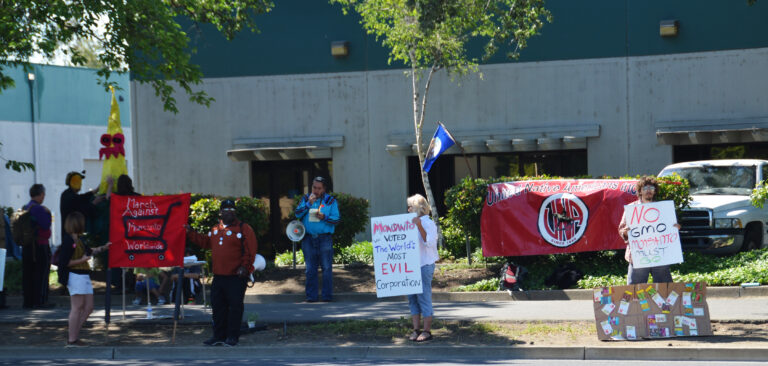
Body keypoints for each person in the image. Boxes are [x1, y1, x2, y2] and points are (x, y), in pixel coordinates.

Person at [186, 199, 257, 346]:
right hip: (219, 276)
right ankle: (218, 335)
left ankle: (232, 336)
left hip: (236, 276)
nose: (229, 211)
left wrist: (245, 266)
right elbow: (205, 242)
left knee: (235, 307)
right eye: (226, 209)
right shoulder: (215, 229)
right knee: (218, 307)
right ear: (221, 212)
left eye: (232, 209)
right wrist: (190, 233)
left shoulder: (244, 228)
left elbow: (251, 250)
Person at [61, 211, 110, 347]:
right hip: (75, 275)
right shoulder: (68, 241)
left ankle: (74, 334)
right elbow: (65, 262)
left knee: (89, 307)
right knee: (77, 307)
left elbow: (89, 251)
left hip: (83, 275)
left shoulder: (79, 239)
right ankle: (72, 338)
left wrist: (103, 248)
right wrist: (81, 260)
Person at [618, 176, 679, 284]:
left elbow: (670, 228)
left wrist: (675, 228)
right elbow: (621, 229)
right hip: (638, 256)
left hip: (660, 255)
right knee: (634, 292)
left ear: (655, 191)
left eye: (651, 188)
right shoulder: (632, 209)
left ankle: (663, 302)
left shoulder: (663, 208)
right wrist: (626, 232)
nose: (648, 191)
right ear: (640, 191)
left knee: (664, 290)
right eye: (645, 188)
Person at [294, 176, 340, 302]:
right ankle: (311, 297)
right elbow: (297, 214)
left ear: (324, 189)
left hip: (325, 238)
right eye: (314, 187)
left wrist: (324, 217)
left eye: (319, 188)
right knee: (310, 269)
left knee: (326, 268)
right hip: (308, 239)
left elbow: (336, 219)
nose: (316, 190)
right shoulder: (306, 198)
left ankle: (326, 296)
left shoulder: (331, 201)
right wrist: (308, 203)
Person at [405, 194, 439, 342]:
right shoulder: (408, 223)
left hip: (424, 265)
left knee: (424, 297)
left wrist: (419, 225)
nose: (408, 209)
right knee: (412, 299)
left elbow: (429, 243)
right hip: (411, 267)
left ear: (418, 208)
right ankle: (416, 329)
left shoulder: (427, 223)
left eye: (410, 206)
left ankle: (427, 331)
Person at [22, 183, 54, 309]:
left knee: (28, 274)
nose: (44, 197)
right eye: (43, 194)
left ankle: (28, 301)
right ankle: (40, 300)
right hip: (40, 246)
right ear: (40, 194)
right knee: (41, 273)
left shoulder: (26, 207)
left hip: (27, 246)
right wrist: (48, 213)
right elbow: (46, 225)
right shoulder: (39, 209)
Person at [60, 171, 98, 249]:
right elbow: (83, 208)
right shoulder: (70, 196)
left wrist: (94, 191)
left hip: (70, 233)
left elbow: (81, 198)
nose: (80, 184)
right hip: (72, 233)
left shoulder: (67, 194)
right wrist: (94, 203)